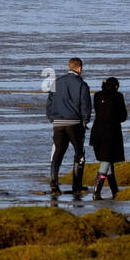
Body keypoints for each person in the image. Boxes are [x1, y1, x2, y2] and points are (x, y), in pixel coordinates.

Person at [46, 56, 92, 195]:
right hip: (75, 123)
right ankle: (76, 185)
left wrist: (52, 119)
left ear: (69, 67)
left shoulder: (57, 82)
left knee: (58, 153)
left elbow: (49, 103)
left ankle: (54, 183)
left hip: (58, 123)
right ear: (79, 68)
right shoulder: (81, 84)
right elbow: (86, 106)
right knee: (79, 153)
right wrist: (85, 121)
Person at [89, 77, 128, 200]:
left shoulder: (97, 95)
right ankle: (96, 192)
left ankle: (115, 191)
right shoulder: (118, 96)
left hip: (97, 132)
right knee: (106, 162)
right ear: (116, 86)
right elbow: (123, 116)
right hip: (111, 133)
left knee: (108, 162)